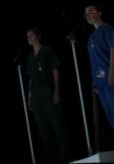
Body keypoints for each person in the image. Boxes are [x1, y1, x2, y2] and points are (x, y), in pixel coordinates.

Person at [25, 27, 71, 164]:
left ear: (38, 36)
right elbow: (31, 79)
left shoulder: (47, 51)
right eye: (27, 36)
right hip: (37, 98)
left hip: (48, 94)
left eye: (31, 35)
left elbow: (55, 70)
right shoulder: (30, 57)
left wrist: (56, 92)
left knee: (58, 126)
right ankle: (51, 158)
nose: (29, 37)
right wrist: (29, 98)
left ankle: (65, 156)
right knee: (43, 130)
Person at [85, 4, 114, 149]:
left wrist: (112, 71)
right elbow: (94, 63)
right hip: (100, 84)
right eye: (86, 13)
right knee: (112, 116)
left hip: (111, 78)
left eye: (91, 11)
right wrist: (95, 84)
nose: (89, 14)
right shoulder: (91, 39)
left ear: (100, 13)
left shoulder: (106, 29)